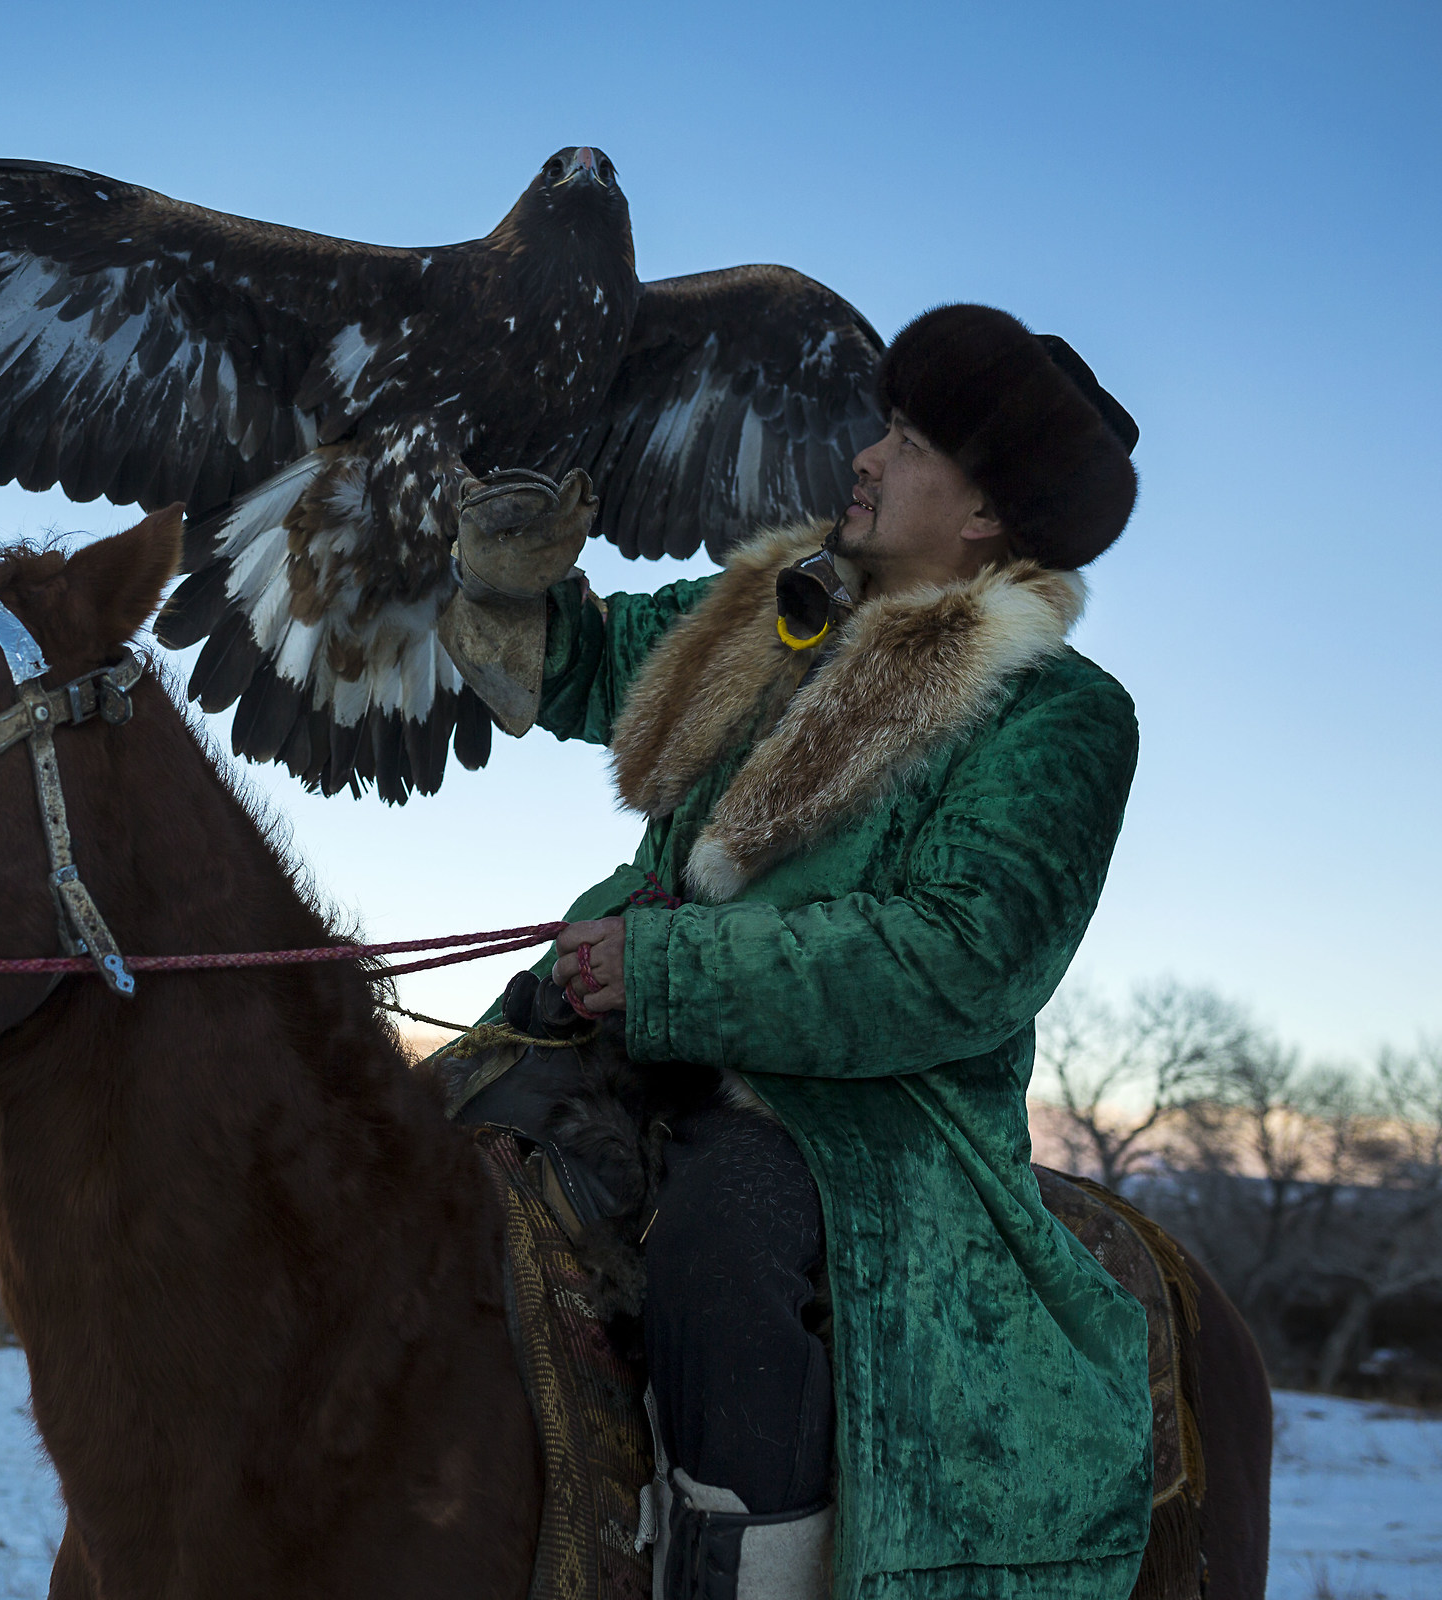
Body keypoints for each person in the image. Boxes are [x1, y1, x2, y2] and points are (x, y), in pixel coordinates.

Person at [443, 304, 1153, 1600]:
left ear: (985, 511)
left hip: (850, 1118)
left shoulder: (1060, 717)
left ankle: (738, 1574)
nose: (867, 459)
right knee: (408, 1152)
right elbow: (584, 664)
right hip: (605, 1024)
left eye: (910, 442)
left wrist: (667, 976)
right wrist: (506, 575)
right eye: (882, 427)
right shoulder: (780, 612)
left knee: (726, 1237)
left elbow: (956, 962)